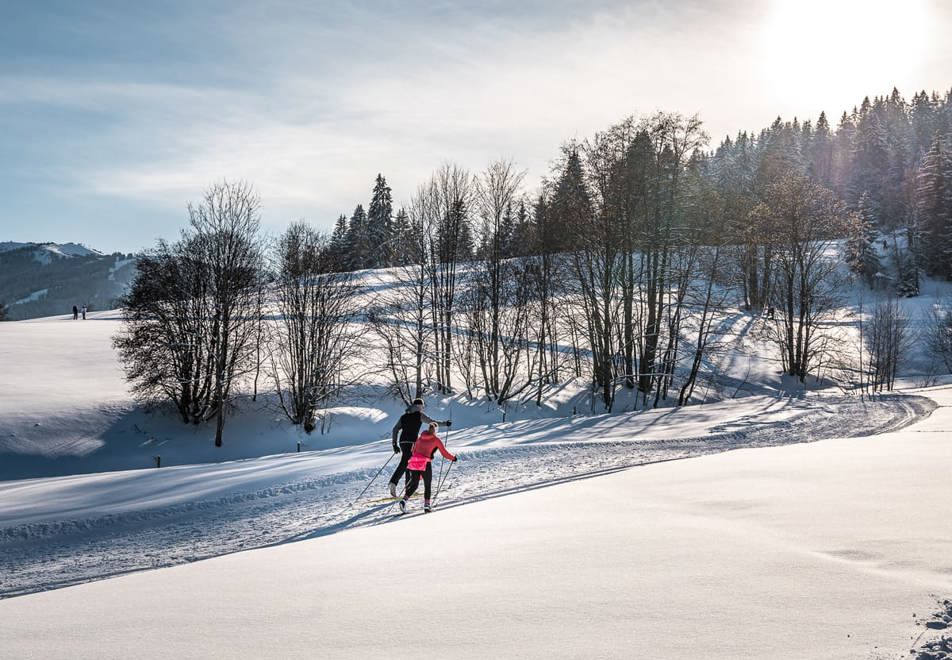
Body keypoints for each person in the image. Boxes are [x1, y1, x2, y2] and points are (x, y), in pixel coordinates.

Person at [388, 398, 451, 497]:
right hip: (412, 442)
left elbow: (395, 429)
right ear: (419, 406)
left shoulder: (404, 416)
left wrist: (394, 444)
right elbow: (432, 423)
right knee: (405, 463)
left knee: (409, 464)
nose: (422, 409)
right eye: (422, 406)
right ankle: (394, 482)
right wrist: (445, 423)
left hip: (403, 441)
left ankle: (408, 488)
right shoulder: (420, 415)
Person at [399, 422, 456, 514]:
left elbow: (413, 450)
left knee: (414, 485)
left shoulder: (420, 437)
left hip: (414, 463)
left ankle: (403, 501)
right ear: (436, 430)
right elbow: (444, 453)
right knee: (427, 485)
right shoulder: (436, 440)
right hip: (425, 464)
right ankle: (427, 506)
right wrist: (453, 458)